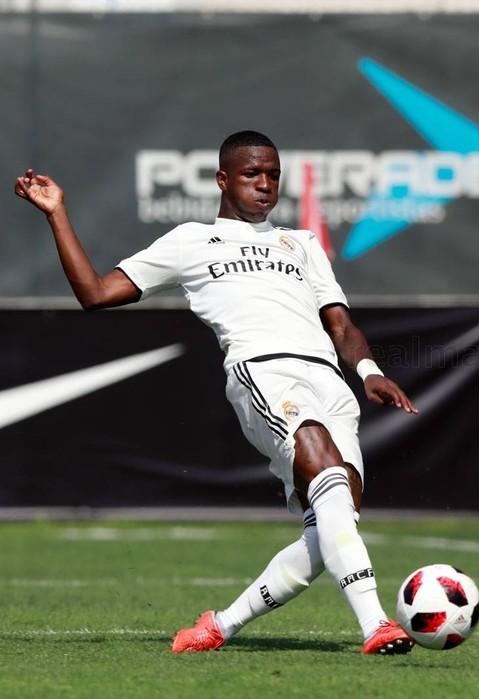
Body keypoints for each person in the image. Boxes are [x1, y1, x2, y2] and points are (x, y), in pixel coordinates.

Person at [14, 130, 419, 655]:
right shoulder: (190, 242)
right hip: (263, 374)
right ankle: (376, 624)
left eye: (273, 174)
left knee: (330, 528)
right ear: (223, 180)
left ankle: (220, 625)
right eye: (253, 174)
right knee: (319, 459)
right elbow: (94, 292)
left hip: (331, 383)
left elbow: (340, 325)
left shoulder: (303, 243)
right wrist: (56, 213)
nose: (265, 184)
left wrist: (368, 370)